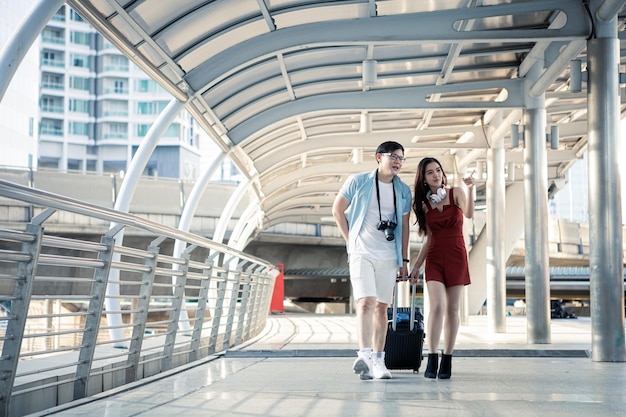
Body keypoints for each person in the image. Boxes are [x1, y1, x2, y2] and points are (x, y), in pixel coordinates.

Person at [332, 141, 412, 380]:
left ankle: (378, 360)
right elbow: (337, 210)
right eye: (393, 156)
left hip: (389, 254)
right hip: (361, 252)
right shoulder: (358, 181)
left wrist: (404, 259)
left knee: (382, 307)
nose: (397, 161)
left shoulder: (404, 190)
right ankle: (364, 354)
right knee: (366, 301)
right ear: (379, 157)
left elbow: (406, 226)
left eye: (401, 158)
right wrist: (350, 242)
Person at [409, 157, 474, 379]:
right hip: (435, 257)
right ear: (424, 179)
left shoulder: (456, 193)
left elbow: (469, 214)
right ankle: (432, 355)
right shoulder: (424, 205)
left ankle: (447, 358)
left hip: (456, 255)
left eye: (438, 170)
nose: (436, 175)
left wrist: (470, 188)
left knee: (453, 309)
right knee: (436, 306)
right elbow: (428, 239)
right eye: (430, 172)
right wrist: (417, 266)